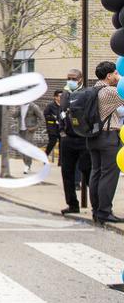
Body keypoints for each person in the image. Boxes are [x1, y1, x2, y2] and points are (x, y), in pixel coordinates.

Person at [87, 61, 124, 224]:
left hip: (94, 137)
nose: (118, 76)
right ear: (109, 76)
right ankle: (104, 211)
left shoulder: (94, 89)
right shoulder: (110, 91)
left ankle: (96, 210)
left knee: (96, 172)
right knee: (109, 175)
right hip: (108, 137)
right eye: (116, 73)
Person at [59, 68, 92, 215]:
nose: (70, 80)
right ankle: (72, 204)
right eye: (68, 78)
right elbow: (61, 113)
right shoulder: (65, 94)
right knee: (67, 173)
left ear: (80, 79)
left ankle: (97, 205)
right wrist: (62, 131)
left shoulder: (86, 93)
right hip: (68, 139)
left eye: (73, 78)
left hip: (83, 139)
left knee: (88, 171)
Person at [18, 101, 45, 174]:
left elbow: (42, 119)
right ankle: (27, 164)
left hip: (29, 130)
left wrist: (34, 127)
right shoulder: (20, 106)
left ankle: (27, 165)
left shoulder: (34, 107)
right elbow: (14, 115)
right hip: (21, 130)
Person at [44, 90, 62, 161]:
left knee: (62, 143)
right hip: (52, 127)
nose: (61, 98)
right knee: (52, 141)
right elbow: (45, 115)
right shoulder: (50, 106)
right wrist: (54, 118)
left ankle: (60, 161)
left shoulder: (63, 105)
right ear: (55, 97)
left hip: (61, 127)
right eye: (60, 96)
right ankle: (45, 156)